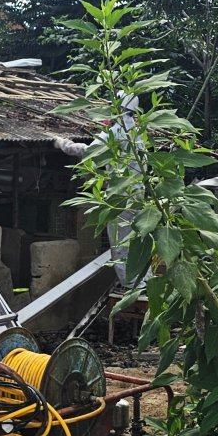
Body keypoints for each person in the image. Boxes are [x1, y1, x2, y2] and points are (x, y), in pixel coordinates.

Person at [53, 90, 149, 288]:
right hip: (138, 194)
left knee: (120, 241)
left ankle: (131, 285)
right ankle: (145, 279)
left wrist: (62, 143)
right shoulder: (138, 133)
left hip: (120, 196)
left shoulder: (116, 132)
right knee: (138, 239)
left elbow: (88, 152)